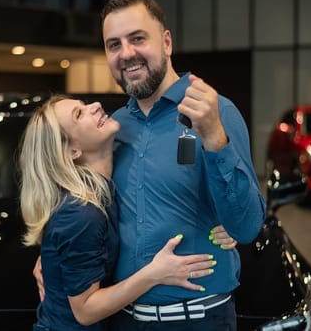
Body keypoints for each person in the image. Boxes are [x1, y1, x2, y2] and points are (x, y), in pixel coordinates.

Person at [100, 0, 266, 330]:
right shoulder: (114, 126)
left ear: (166, 42)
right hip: (125, 319)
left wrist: (214, 137)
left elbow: (247, 227)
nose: (126, 54)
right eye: (113, 44)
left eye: (137, 38)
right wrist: (53, 255)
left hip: (199, 319)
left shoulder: (215, 110)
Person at [19, 95, 217, 331]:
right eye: (79, 114)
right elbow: (85, 310)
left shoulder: (106, 191)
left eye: (84, 105)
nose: (95, 106)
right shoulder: (81, 213)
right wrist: (155, 273)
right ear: (72, 151)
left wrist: (221, 225)